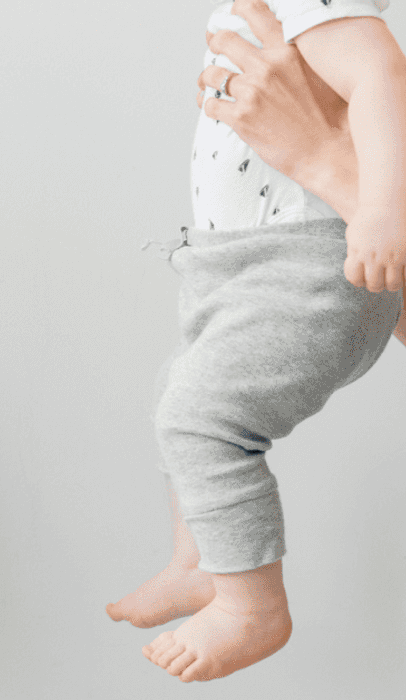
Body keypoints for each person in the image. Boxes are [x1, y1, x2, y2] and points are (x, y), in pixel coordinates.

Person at [106, 0, 406, 683]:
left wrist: (382, 210)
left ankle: (251, 607)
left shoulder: (318, 7)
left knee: (199, 418)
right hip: (242, 263)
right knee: (176, 399)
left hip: (305, 265)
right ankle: (199, 562)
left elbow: (382, 75)